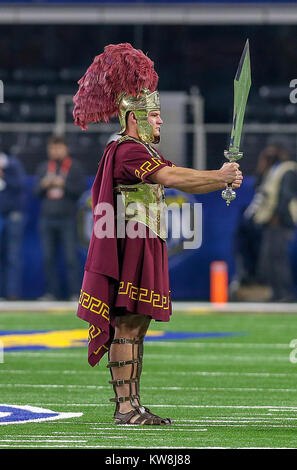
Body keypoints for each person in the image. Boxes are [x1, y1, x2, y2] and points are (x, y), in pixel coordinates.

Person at [73, 43, 243, 425]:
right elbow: (172, 177)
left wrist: (220, 179)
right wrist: (219, 176)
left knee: (136, 325)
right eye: (155, 114)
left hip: (143, 244)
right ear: (134, 117)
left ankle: (133, 404)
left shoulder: (140, 151)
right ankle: (124, 408)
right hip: (130, 248)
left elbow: (185, 180)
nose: (161, 121)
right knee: (126, 325)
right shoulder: (127, 150)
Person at [243, 144, 297, 302]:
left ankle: (285, 294)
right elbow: (259, 189)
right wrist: (261, 170)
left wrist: (278, 215)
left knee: (278, 259)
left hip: (280, 222)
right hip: (271, 221)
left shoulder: (287, 170)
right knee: (270, 259)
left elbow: (285, 195)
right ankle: (277, 292)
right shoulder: (272, 172)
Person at [35, 135, 85, 300]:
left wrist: (64, 184)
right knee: (48, 258)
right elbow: (35, 192)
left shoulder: (74, 167)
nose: (55, 151)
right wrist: (44, 185)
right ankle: (51, 293)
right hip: (47, 218)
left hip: (67, 218)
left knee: (71, 258)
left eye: (58, 148)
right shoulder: (44, 167)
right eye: (52, 148)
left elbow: (80, 191)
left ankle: (75, 293)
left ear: (65, 148)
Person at [0, 150, 26, 300]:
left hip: (12, 216)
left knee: (13, 256)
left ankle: (12, 293)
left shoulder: (13, 164)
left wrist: (5, 175)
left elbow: (21, 185)